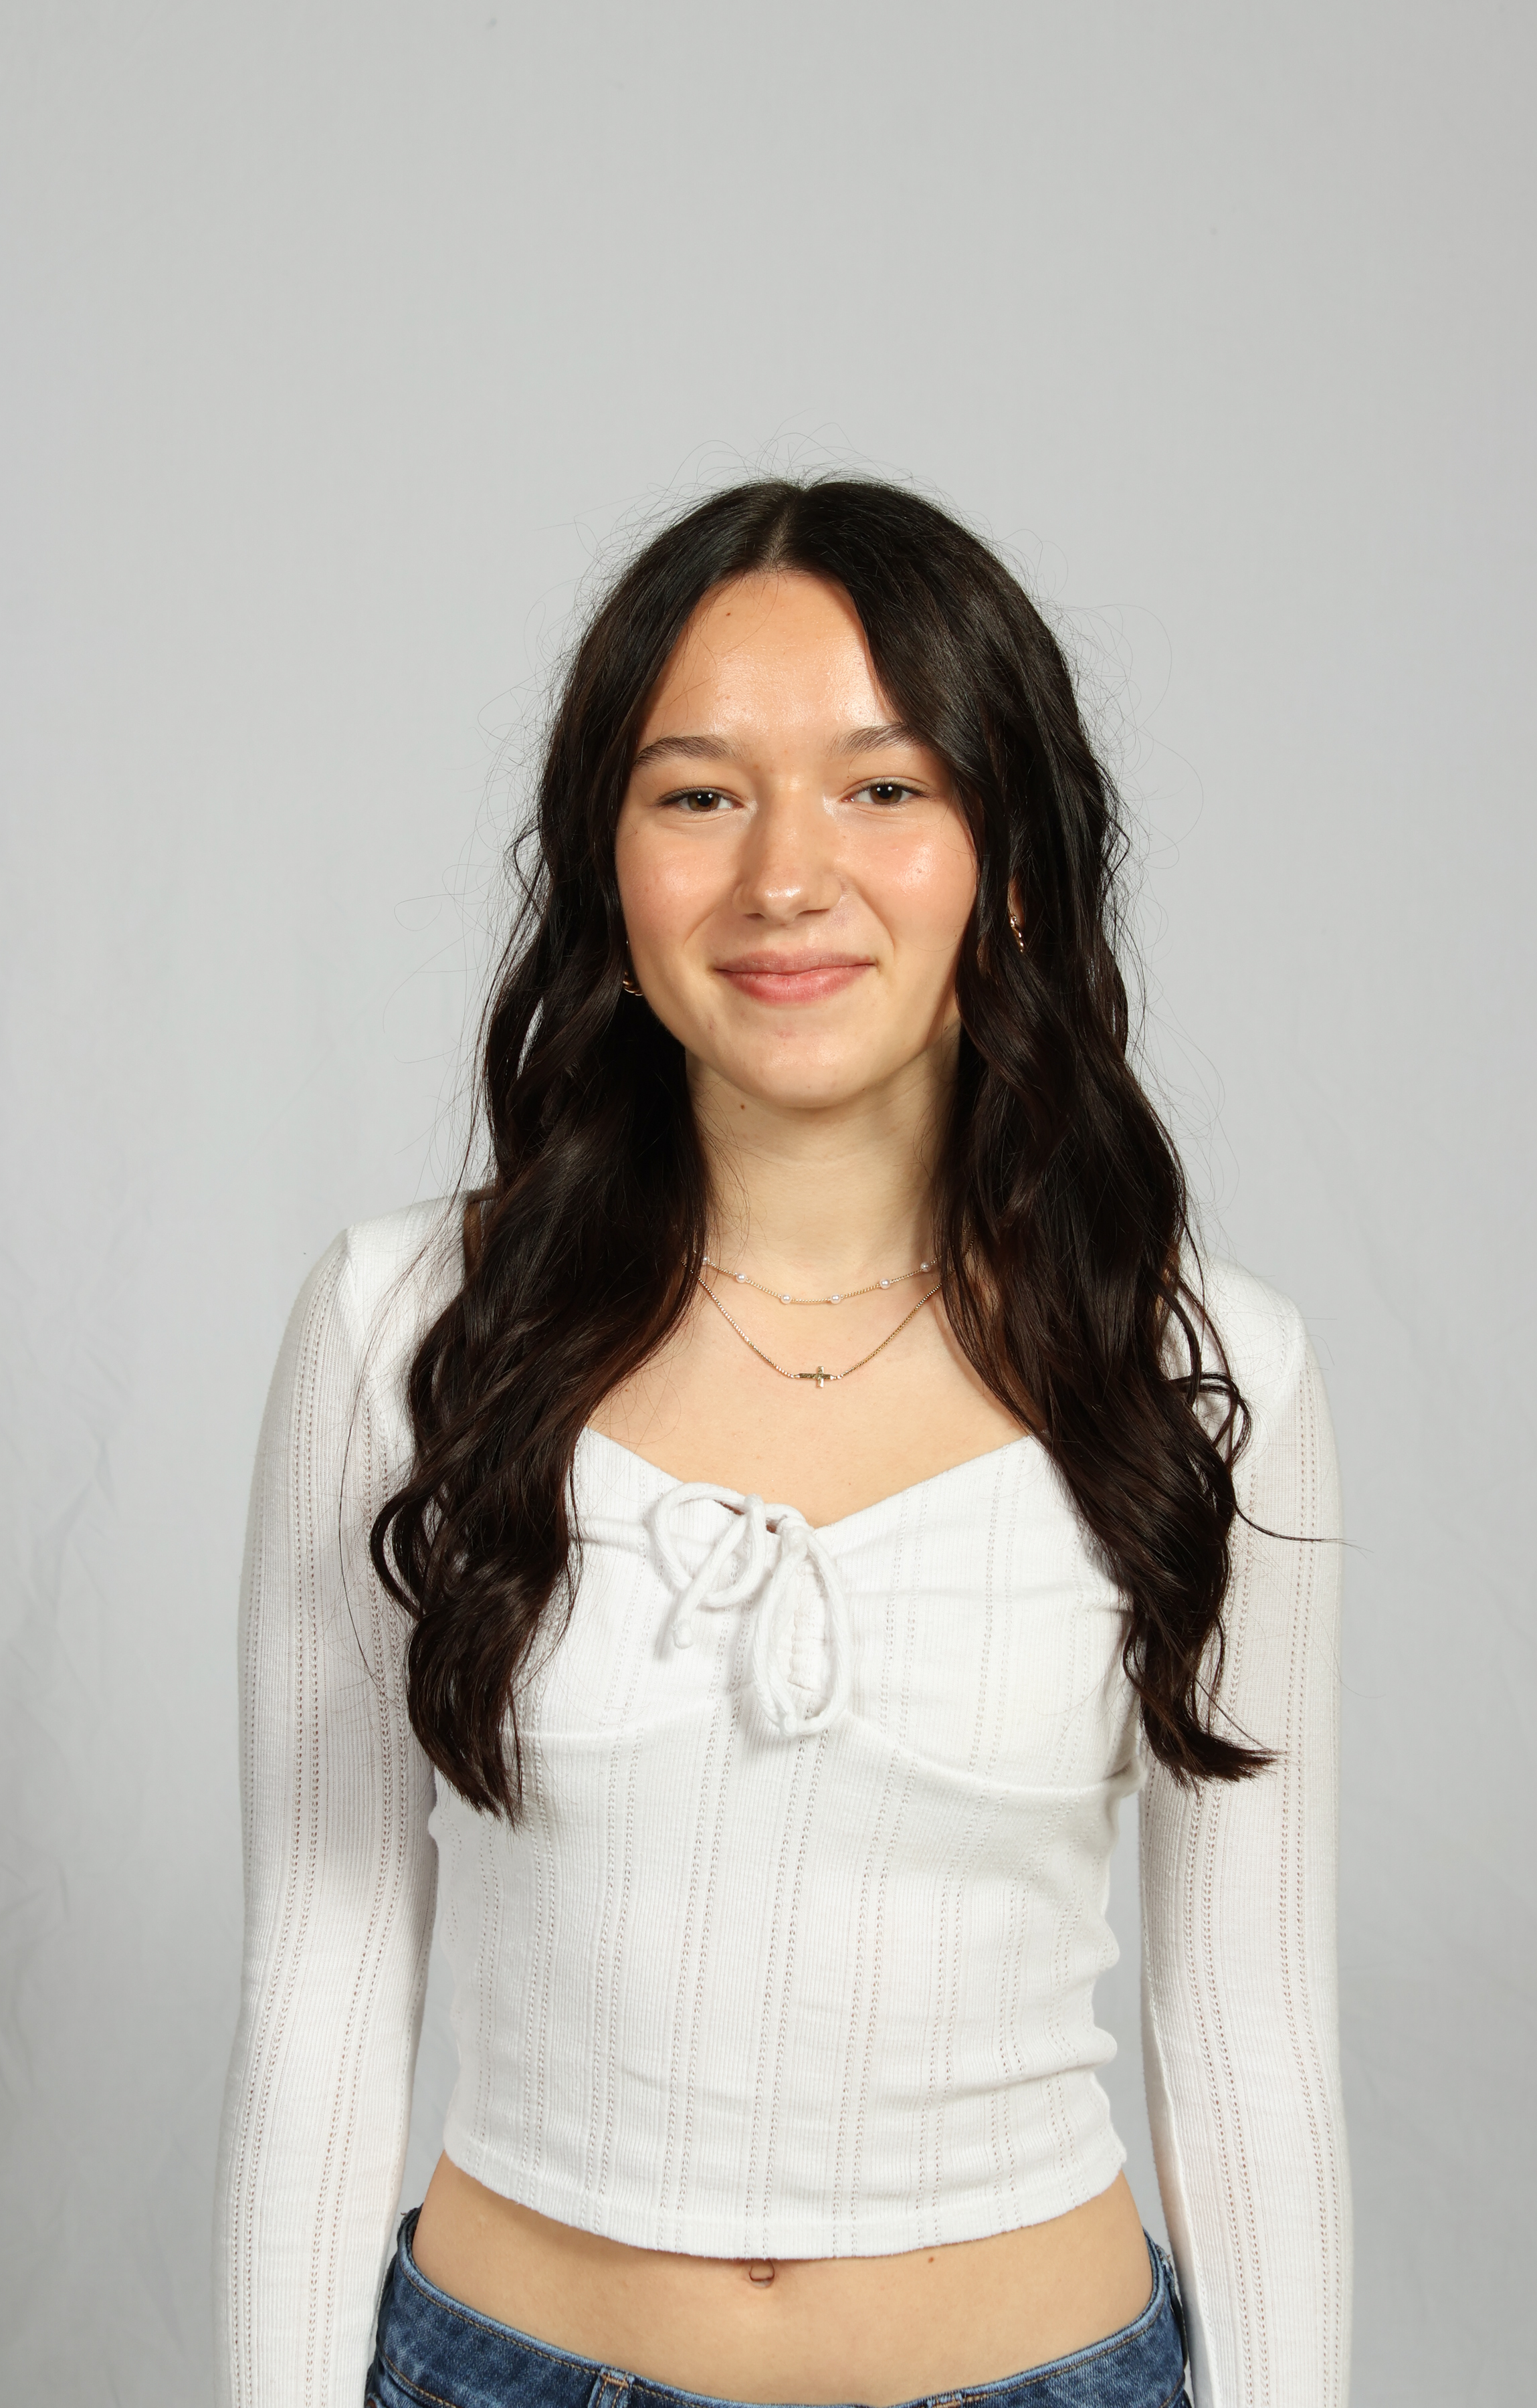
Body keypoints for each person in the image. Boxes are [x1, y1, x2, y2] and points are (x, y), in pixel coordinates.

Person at [213, 478, 1350, 2408]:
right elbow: (322, 1978)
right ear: (607, 861)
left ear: (1012, 855)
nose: (786, 878)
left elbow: (1250, 2028)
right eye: (699, 795)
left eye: (883, 787)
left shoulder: (1206, 1369)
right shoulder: (401, 1331)